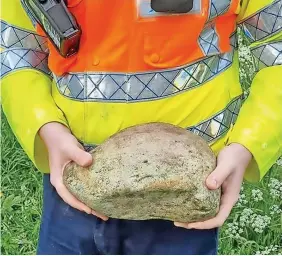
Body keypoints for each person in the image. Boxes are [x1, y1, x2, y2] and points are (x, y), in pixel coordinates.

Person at [1, 0, 281, 254]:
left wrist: (247, 145)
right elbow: (15, 44)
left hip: (185, 200)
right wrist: (44, 126)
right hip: (72, 186)